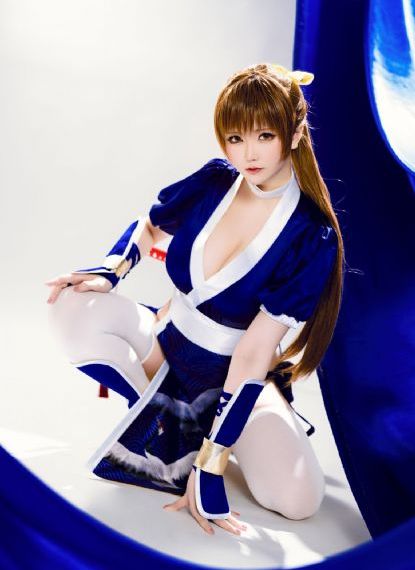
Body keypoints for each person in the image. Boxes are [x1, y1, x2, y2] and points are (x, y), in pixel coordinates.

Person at [45, 63, 344, 537]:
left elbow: (253, 351)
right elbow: (151, 225)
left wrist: (213, 461)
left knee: (299, 500)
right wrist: (111, 271)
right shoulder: (215, 181)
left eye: (264, 136)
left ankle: (200, 431)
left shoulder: (312, 234)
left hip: (234, 377)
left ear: (294, 133)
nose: (248, 153)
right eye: (235, 138)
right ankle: (160, 412)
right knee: (70, 305)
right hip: (165, 344)